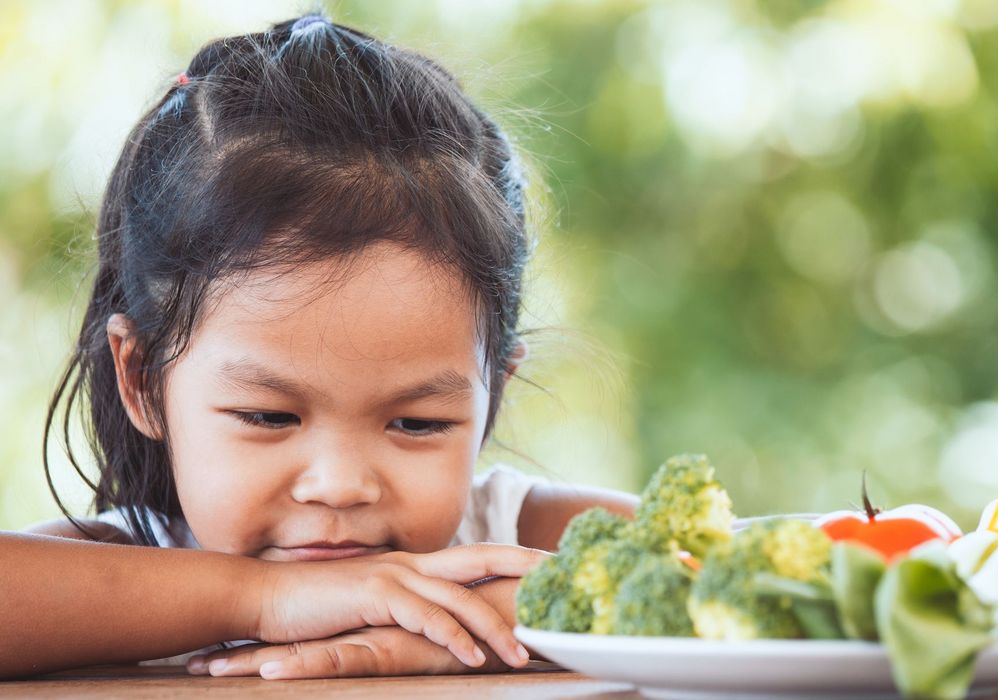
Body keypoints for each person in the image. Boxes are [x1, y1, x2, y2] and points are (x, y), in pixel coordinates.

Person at [1, 13, 637, 681]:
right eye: (269, 416)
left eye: (417, 423)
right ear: (142, 382)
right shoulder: (131, 563)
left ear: (492, 396)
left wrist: (521, 609)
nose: (340, 486)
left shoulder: (511, 539)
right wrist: (259, 600)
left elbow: (746, 562)